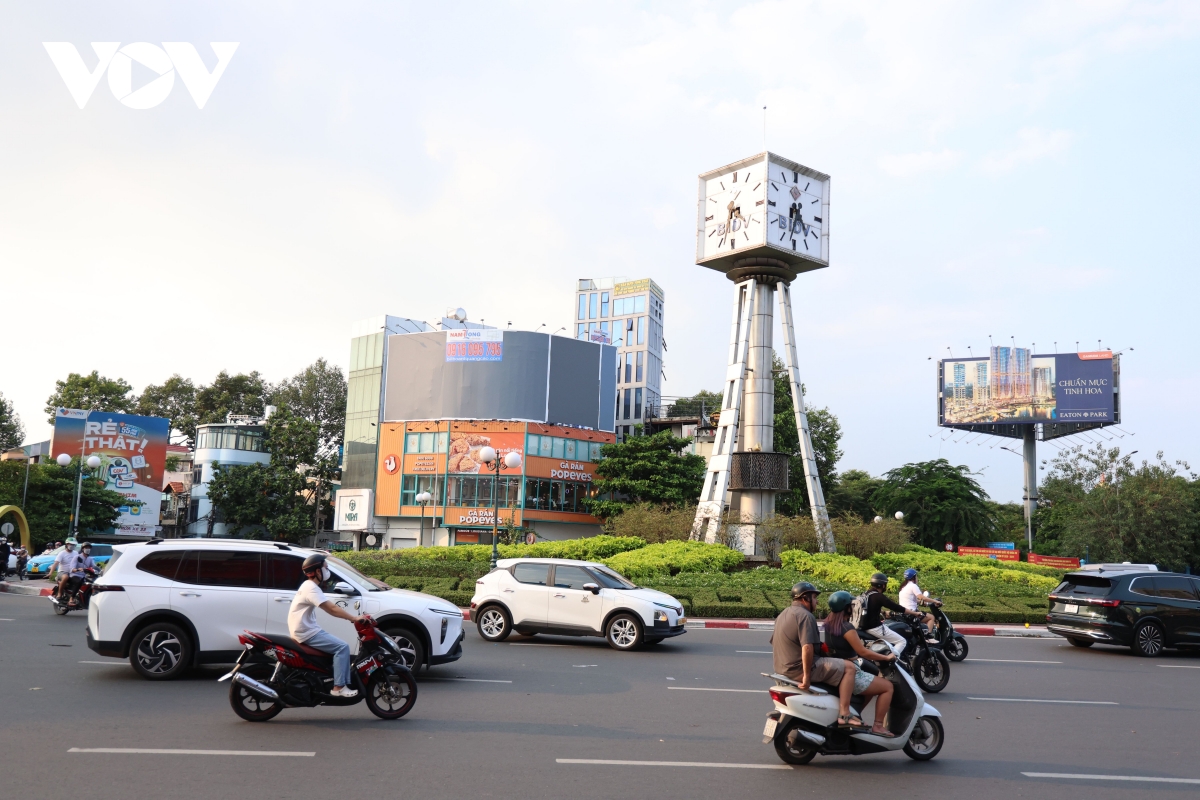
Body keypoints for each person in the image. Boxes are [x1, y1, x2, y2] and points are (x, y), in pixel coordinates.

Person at [770, 582, 862, 730]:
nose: (817, 601)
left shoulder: (783, 614)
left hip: (782, 668)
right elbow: (807, 648)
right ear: (805, 598)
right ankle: (845, 714)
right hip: (799, 669)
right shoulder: (806, 616)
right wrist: (806, 676)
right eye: (814, 597)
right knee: (850, 667)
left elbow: (775, 642)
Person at [824, 591, 898, 737]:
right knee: (887, 687)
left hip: (837, 667)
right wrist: (886, 658)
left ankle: (855, 713)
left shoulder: (829, 624)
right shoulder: (847, 628)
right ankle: (878, 726)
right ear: (846, 608)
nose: (852, 608)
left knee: (872, 678)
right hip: (849, 671)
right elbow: (863, 652)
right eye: (850, 605)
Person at [288, 553, 364, 698]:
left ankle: (335, 679)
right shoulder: (311, 588)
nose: (327, 571)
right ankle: (339, 687)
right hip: (306, 632)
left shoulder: (308, 585)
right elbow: (332, 609)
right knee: (342, 647)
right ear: (317, 571)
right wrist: (354, 618)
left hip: (305, 629)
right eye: (326, 568)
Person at [859, 572, 920, 655]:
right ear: (882, 585)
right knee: (901, 641)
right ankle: (890, 661)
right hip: (874, 628)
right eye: (885, 584)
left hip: (863, 626)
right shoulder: (878, 596)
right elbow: (897, 607)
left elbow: (870, 608)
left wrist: (883, 612)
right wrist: (914, 613)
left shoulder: (865, 594)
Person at [898, 568, 939, 636]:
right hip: (912, 613)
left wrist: (923, 603)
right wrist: (935, 601)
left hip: (904, 613)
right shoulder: (913, 586)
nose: (917, 578)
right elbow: (922, 597)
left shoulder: (903, 587)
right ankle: (927, 636)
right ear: (913, 577)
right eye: (916, 576)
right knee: (931, 617)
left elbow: (911, 599)